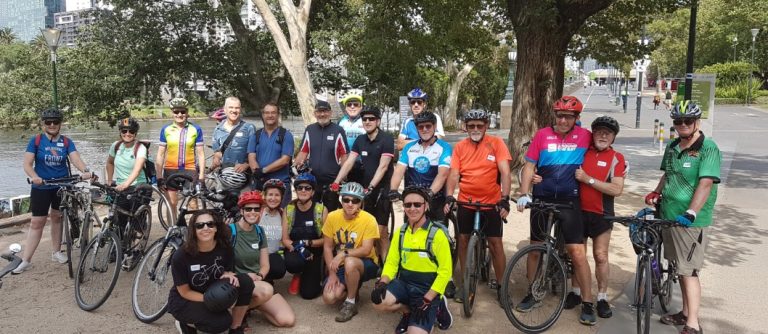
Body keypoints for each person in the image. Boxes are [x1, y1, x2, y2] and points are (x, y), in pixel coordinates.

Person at [515, 96, 596, 325]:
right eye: (559, 115)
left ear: (576, 119)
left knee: (577, 252)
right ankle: (533, 292)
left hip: (570, 201)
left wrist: (619, 163)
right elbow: (529, 165)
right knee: (535, 249)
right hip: (542, 198)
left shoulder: (585, 136)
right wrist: (523, 192)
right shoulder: (542, 135)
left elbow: (602, 148)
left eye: (568, 117)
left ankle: (587, 302)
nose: (562, 120)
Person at [645, 101, 720, 334]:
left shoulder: (708, 148)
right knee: (678, 266)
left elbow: (706, 183)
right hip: (668, 215)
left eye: (688, 121)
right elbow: (669, 174)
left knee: (689, 271)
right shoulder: (674, 146)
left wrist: (692, 211)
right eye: (678, 121)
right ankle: (685, 313)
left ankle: (693, 323)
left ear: (697, 122)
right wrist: (657, 191)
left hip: (690, 221)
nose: (683, 125)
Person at [443, 109, 512, 304]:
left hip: (491, 202)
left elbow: (505, 173)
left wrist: (505, 198)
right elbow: (454, 174)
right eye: (471, 125)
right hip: (467, 200)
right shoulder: (460, 147)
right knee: (463, 240)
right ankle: (466, 283)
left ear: (486, 126)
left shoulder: (496, 143)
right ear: (465, 127)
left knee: (496, 244)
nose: (475, 129)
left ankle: (501, 286)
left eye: (479, 125)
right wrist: (449, 197)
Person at [15, 108, 95, 274]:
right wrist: (34, 176)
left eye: (55, 122)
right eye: (48, 122)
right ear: (43, 124)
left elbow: (76, 159)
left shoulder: (66, 142)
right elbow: (27, 164)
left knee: (57, 218)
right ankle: (26, 260)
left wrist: (86, 171)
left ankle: (56, 252)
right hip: (41, 186)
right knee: (37, 222)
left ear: (60, 124)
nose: (52, 125)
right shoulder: (36, 141)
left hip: (62, 185)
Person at [372, 186, 454, 334]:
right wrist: (382, 282)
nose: (412, 208)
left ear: (426, 206)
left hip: (428, 289)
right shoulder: (401, 232)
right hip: (405, 283)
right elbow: (392, 262)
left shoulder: (437, 234)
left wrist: (429, 298)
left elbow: (445, 271)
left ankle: (439, 307)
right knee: (379, 302)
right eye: (407, 204)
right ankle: (408, 312)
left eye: (417, 204)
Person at [569, 116, 627, 318]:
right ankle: (576, 292)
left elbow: (616, 189)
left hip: (602, 214)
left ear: (613, 137)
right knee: (577, 256)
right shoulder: (582, 152)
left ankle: (602, 297)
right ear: (592, 134)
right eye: (599, 131)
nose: (603, 135)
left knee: (600, 256)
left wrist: (588, 179)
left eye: (608, 133)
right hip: (578, 211)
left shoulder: (616, 158)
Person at [168, 210, 254, 334]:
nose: (205, 228)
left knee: (245, 281)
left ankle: (235, 328)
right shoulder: (181, 256)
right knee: (221, 323)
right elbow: (184, 292)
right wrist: (212, 300)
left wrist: (228, 274)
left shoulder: (225, 248)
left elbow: (229, 271)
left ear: (216, 228)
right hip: (186, 300)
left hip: (211, 291)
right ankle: (185, 323)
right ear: (194, 230)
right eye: (200, 225)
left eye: (210, 224)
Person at [333, 106, 395, 262]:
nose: (367, 121)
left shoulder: (386, 139)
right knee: (364, 227)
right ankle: (369, 259)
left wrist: (372, 187)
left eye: (371, 119)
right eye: (365, 119)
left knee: (380, 231)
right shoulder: (360, 140)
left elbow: (383, 167)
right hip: (364, 188)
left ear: (378, 121)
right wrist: (336, 181)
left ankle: (386, 267)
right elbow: (348, 163)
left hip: (381, 188)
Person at [231, 191, 295, 328]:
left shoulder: (260, 232)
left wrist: (260, 276)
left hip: (257, 283)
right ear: (241, 210)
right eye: (248, 209)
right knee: (266, 290)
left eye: (256, 209)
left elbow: (265, 265)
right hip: (237, 283)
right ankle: (238, 318)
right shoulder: (230, 231)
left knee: (286, 320)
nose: (252, 212)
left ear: (261, 210)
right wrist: (244, 277)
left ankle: (247, 307)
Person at [321, 182, 380, 322]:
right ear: (341, 199)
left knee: (350, 261)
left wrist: (342, 254)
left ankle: (351, 303)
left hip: (366, 263)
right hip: (342, 265)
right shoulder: (332, 217)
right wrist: (332, 274)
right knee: (329, 298)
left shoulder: (369, 219)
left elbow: (366, 250)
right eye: (346, 199)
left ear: (361, 202)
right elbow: (327, 247)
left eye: (355, 200)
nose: (350, 204)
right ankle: (352, 287)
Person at [105, 117, 153, 270]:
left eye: (131, 131)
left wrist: (126, 184)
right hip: (121, 186)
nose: (127, 133)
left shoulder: (140, 148)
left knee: (136, 220)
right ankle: (118, 246)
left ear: (135, 133)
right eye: (124, 131)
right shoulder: (116, 146)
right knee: (119, 219)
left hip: (138, 186)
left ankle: (137, 246)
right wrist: (109, 180)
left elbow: (137, 169)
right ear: (120, 132)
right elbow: (110, 162)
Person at [389, 111, 452, 222]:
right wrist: (393, 189)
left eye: (428, 126)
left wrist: (429, 193)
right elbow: (399, 171)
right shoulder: (409, 147)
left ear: (435, 126)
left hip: (436, 200)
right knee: (410, 235)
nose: (424, 129)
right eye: (421, 127)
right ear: (417, 129)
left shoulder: (444, 147)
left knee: (437, 236)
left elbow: (442, 174)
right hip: (413, 201)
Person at [294, 100, 349, 211]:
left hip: (332, 181)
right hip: (313, 181)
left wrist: (343, 177)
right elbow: (303, 152)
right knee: (312, 212)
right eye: (319, 111)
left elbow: (344, 155)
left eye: (325, 111)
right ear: (315, 113)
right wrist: (295, 166)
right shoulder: (310, 129)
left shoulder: (338, 130)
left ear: (330, 113)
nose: (322, 114)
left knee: (330, 214)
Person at [281, 173, 328, 299]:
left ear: (312, 192)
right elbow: (285, 239)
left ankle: (314, 273)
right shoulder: (289, 209)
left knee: (309, 294)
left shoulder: (321, 210)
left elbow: (326, 240)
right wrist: (300, 248)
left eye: (307, 188)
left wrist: (307, 243)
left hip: (314, 253)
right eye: (300, 188)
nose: (303, 190)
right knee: (292, 263)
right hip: (295, 250)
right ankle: (298, 273)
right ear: (295, 190)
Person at [156, 97, 206, 210]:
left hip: (190, 171)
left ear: (187, 113)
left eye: (183, 111)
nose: (179, 114)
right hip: (170, 170)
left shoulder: (196, 129)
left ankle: (193, 227)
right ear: (172, 113)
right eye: (176, 112)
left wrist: (202, 176)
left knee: (193, 205)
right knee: (172, 204)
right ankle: (173, 227)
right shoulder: (166, 129)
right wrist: (159, 176)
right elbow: (160, 154)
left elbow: (201, 154)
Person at [247, 102, 295, 207]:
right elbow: (251, 157)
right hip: (260, 185)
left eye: (273, 112)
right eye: (267, 113)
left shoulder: (286, 135)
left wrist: (263, 170)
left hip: (281, 185)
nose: (270, 115)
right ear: (263, 115)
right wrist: (256, 172)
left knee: (282, 217)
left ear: (278, 115)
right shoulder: (256, 135)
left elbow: (285, 160)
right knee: (259, 217)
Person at [210, 97, 257, 192]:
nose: (234, 111)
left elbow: (257, 151)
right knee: (222, 205)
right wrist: (216, 158)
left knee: (246, 205)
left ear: (240, 109)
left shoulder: (249, 128)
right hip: (225, 178)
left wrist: (246, 165)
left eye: (237, 108)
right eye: (231, 107)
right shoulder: (218, 129)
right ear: (225, 109)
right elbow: (217, 152)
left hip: (245, 178)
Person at [259, 179, 288, 280]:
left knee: (279, 269)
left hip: (273, 255)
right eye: (270, 194)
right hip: (256, 255)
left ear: (281, 197)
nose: (273, 198)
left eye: (277, 195)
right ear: (264, 196)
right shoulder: (258, 212)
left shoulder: (282, 213)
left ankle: (267, 279)